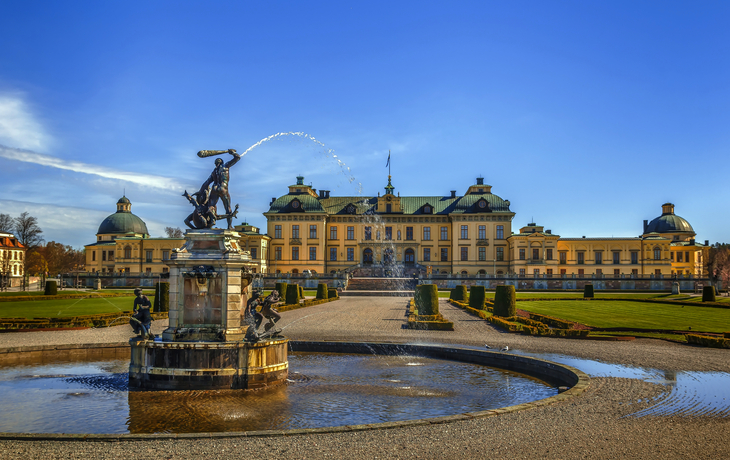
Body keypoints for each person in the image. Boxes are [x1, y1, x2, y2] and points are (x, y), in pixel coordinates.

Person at [198, 149, 240, 229]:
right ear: (222, 162)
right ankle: (229, 226)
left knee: (211, 205)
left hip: (214, 188)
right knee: (227, 207)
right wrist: (232, 153)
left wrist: (200, 192)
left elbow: (206, 183)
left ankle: (212, 216)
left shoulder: (214, 172)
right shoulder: (226, 166)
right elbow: (237, 157)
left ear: (215, 164)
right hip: (223, 188)